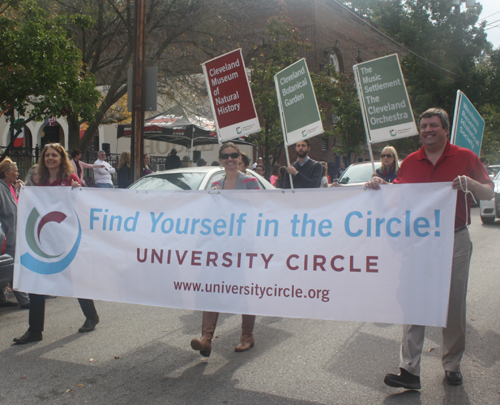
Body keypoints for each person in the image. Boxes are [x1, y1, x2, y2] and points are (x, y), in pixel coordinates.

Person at [365, 108, 494, 389]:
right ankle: (409, 370)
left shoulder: (465, 157)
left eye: (433, 126)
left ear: (445, 130)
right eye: (423, 126)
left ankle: (452, 364)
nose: (427, 130)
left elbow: (489, 190)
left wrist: (471, 184)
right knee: (414, 302)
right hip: (418, 243)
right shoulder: (411, 161)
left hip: (455, 240)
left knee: (453, 304)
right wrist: (380, 185)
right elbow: (397, 194)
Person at [14, 144, 100, 344]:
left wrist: (79, 191)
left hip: (66, 241)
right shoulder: (40, 181)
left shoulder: (71, 179)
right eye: (47, 155)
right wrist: (23, 191)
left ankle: (92, 315)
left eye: (54, 155)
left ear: (62, 159)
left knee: (74, 280)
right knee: (36, 281)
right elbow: (32, 206)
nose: (50, 158)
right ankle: (35, 330)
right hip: (43, 241)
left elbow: (82, 206)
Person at [190, 142, 260, 357]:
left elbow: (260, 206)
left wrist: (231, 200)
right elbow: (210, 214)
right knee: (212, 287)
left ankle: (247, 336)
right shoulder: (216, 183)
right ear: (220, 160)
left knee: (242, 289)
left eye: (233, 155)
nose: (230, 159)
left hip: (243, 244)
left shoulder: (250, 181)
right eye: (225, 156)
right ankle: (206, 339)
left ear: (239, 158)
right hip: (219, 245)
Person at [0, 158, 30, 309]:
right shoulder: (1, 189)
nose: (17, 174)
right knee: (14, 268)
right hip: (6, 238)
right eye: (15, 171)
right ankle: (24, 300)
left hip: (11, 236)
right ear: (6, 173)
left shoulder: (8, 187)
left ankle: (2, 299)